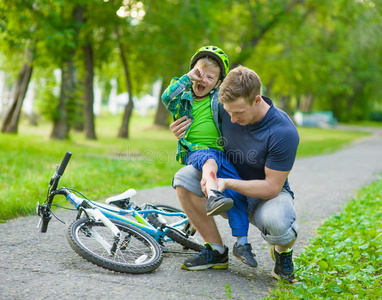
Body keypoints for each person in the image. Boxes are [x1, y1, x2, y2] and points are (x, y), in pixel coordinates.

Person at [171, 65, 300, 283]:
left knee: (278, 224)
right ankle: (216, 251)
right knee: (183, 178)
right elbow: (195, 119)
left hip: (264, 196)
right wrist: (181, 132)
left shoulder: (283, 132)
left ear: (257, 100)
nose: (231, 119)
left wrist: (225, 184)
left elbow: (271, 188)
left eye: (238, 113)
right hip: (228, 189)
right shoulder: (226, 109)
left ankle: (283, 253)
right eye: (228, 112)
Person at [162, 46, 257, 268]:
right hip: (197, 151)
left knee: (236, 194)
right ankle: (213, 194)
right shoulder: (184, 96)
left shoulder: (218, 99)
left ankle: (242, 243)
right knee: (207, 159)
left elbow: (240, 106)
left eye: (210, 77)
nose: (202, 79)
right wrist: (187, 78)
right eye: (198, 72)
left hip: (222, 154)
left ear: (218, 83)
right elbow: (167, 98)